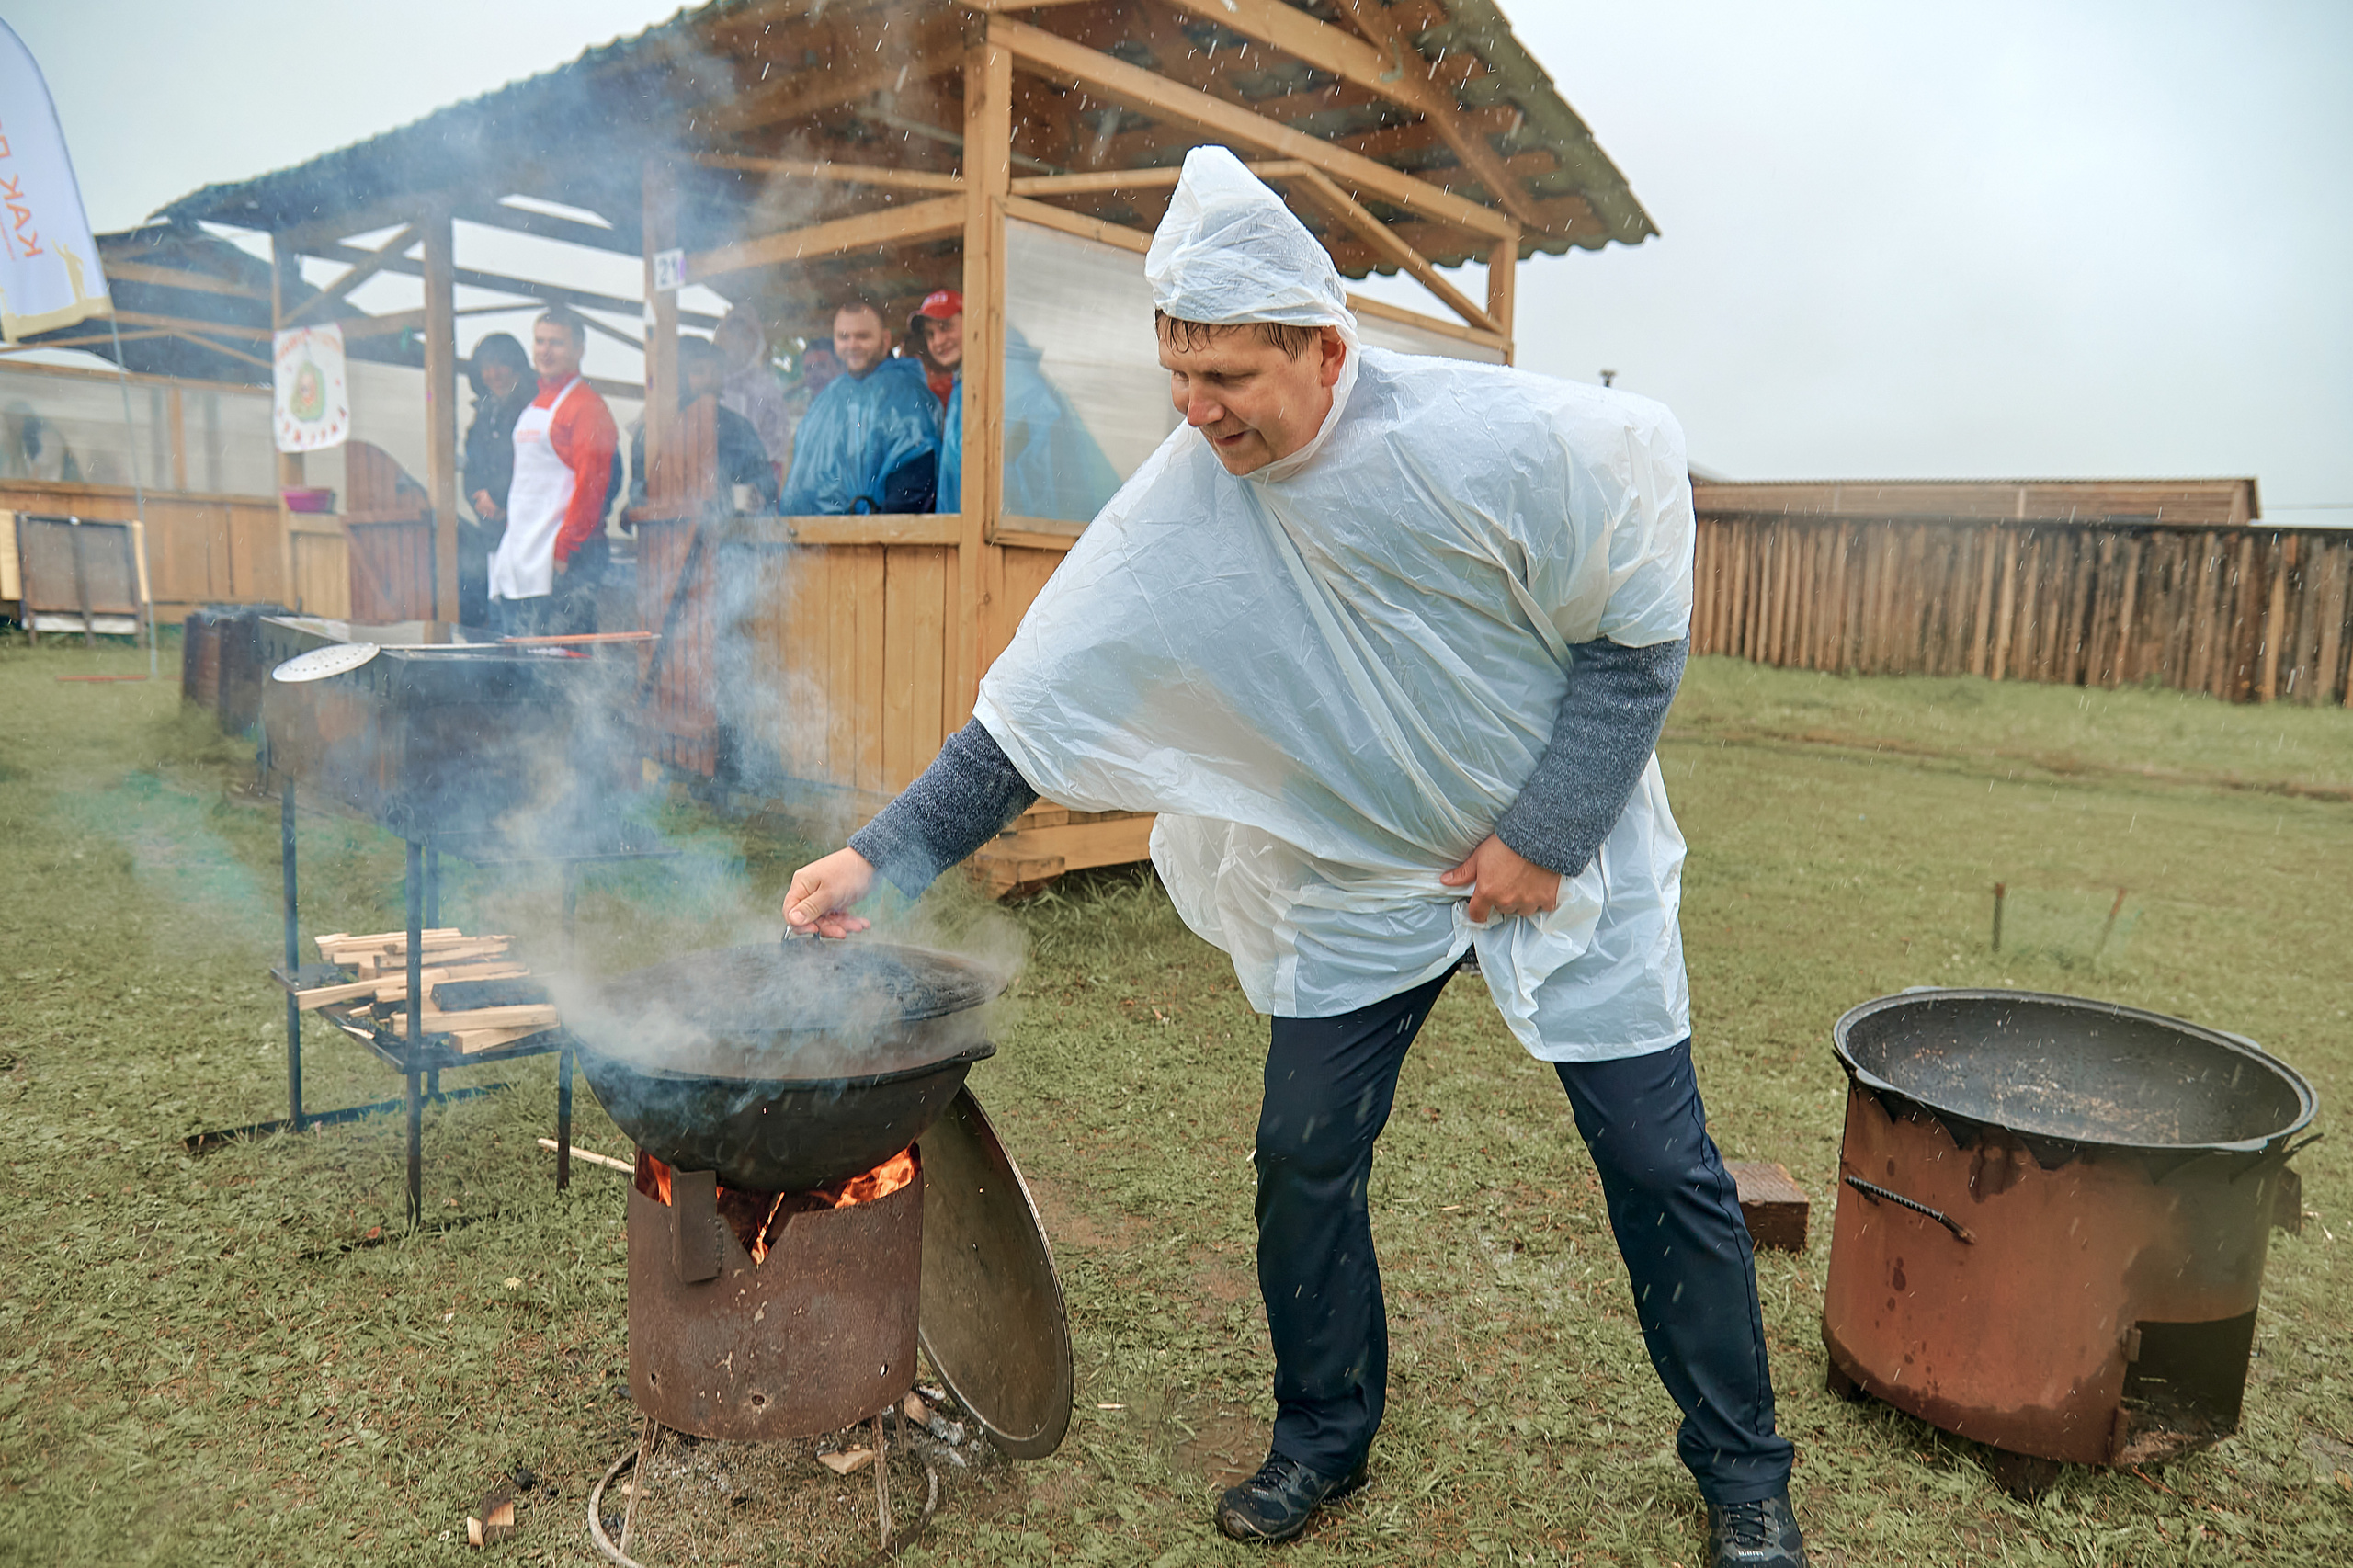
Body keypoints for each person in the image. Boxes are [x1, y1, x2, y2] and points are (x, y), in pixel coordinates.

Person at [779, 149, 1805, 1568]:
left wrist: (1547, 832)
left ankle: (1744, 1472)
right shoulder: (1180, 509)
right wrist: (876, 859)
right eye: (1176, 374)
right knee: (1304, 1151)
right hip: (1363, 874)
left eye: (1226, 377)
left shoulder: (1494, 444)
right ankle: (1322, 1433)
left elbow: (1636, 638)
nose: (1195, 410)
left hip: (1562, 852)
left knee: (1657, 1156)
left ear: (1325, 349)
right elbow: (1028, 719)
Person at [485, 306, 619, 638]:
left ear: (579, 349)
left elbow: (592, 484)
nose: (545, 351)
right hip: (524, 553)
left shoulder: (587, 407)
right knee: (521, 658)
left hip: (565, 559)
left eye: (556, 343)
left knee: (561, 661)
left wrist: (565, 549)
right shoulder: (536, 402)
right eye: (540, 341)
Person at [774, 299, 938, 516]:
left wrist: (876, 523)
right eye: (844, 337)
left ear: (885, 340)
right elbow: (801, 483)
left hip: (889, 533)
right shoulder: (828, 399)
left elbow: (915, 478)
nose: (852, 345)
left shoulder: (907, 394)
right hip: (823, 534)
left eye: (863, 336)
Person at [627, 336, 781, 517]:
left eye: (715, 372)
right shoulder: (653, 431)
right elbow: (637, 492)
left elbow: (765, 484)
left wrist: (742, 495)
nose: (709, 380)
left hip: (731, 531)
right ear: (679, 378)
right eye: (698, 371)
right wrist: (662, 493)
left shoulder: (739, 429)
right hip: (670, 530)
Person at [459, 332, 535, 628]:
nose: (494, 373)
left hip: (526, 529)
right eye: (486, 366)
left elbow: (527, 464)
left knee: (522, 614)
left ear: (517, 366)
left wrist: (501, 500)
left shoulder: (533, 407)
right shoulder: (483, 412)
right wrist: (479, 498)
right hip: (491, 528)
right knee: (496, 610)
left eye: (502, 364)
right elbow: (472, 466)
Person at [713, 307, 790, 484]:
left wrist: (757, 483)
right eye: (731, 334)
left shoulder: (767, 390)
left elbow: (776, 451)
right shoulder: (707, 382)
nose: (736, 342)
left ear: (757, 344)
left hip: (752, 481)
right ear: (720, 337)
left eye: (745, 336)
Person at [907, 288, 962, 413]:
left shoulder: (991, 378)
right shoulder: (957, 388)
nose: (938, 341)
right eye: (930, 334)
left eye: (945, 327)